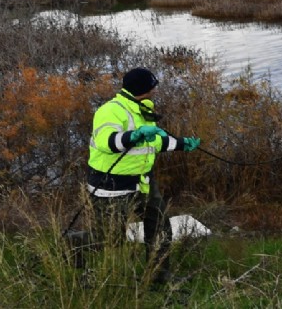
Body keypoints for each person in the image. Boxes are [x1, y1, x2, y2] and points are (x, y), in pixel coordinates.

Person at [83, 67, 201, 285]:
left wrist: (182, 144)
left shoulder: (143, 110)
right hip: (111, 186)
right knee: (107, 239)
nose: (154, 91)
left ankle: (159, 278)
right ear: (144, 89)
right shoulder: (110, 110)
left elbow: (154, 142)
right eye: (152, 87)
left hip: (143, 183)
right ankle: (66, 251)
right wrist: (133, 136)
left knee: (159, 228)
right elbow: (107, 142)